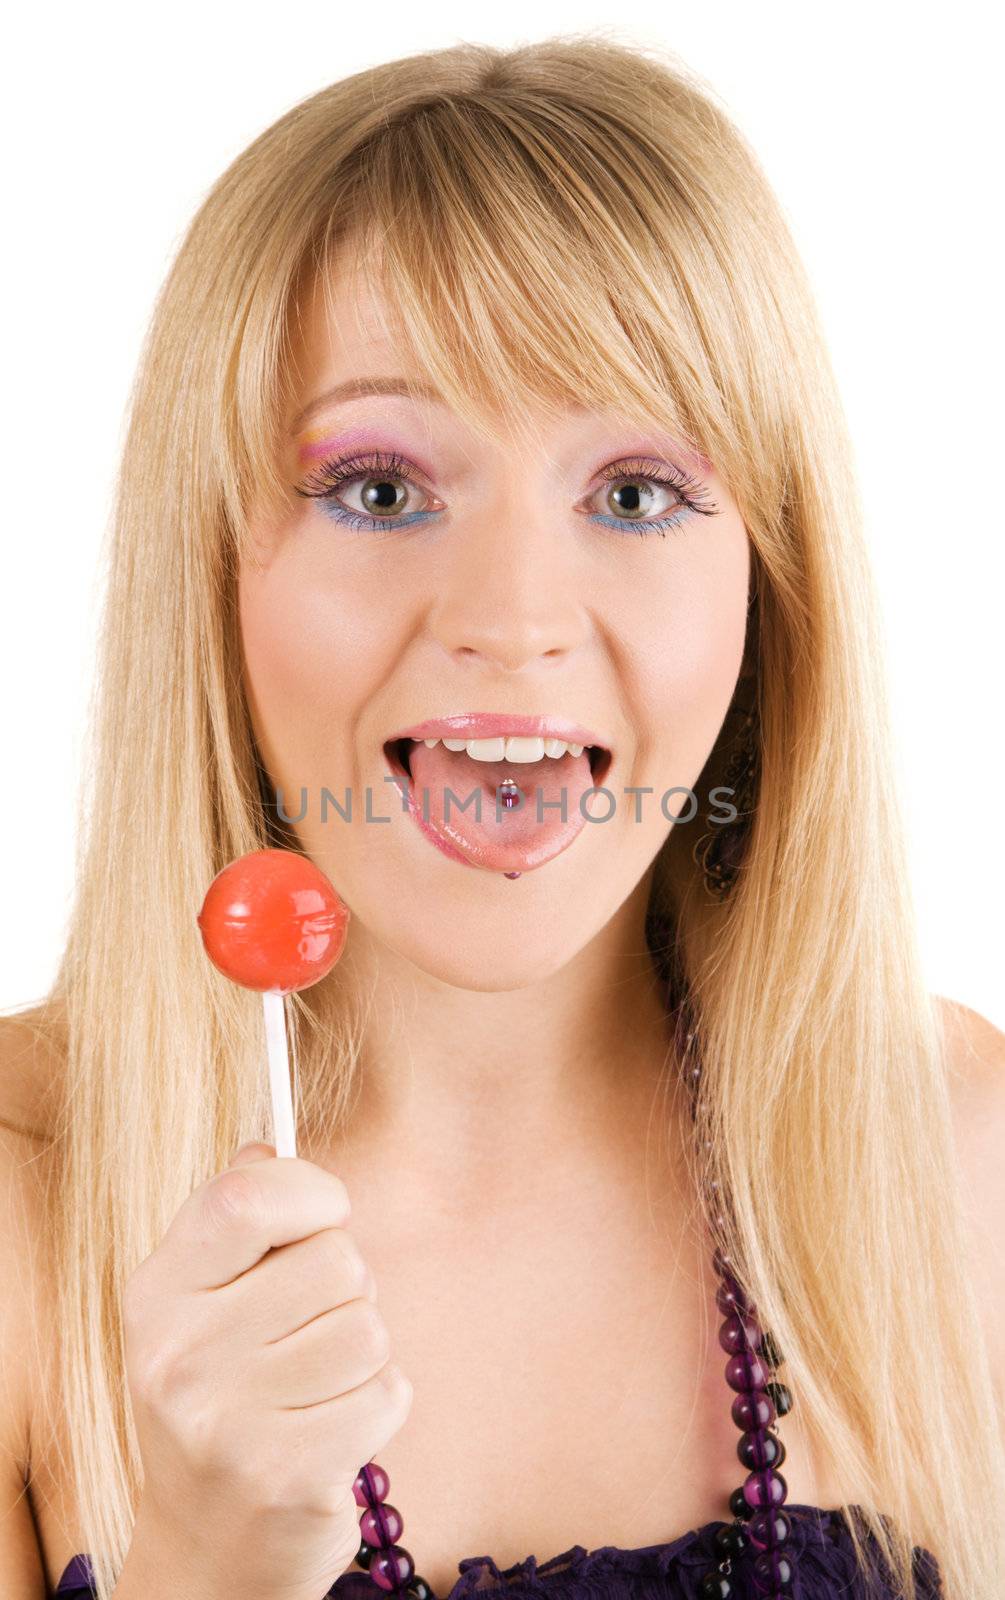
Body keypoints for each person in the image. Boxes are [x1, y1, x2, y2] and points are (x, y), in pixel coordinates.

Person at [1, 33, 1002, 1600]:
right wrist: (206, 1562)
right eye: (383, 490)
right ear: (211, 567)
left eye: (634, 494)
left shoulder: (958, 1161)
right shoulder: (18, 1210)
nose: (514, 619)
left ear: (771, 583)